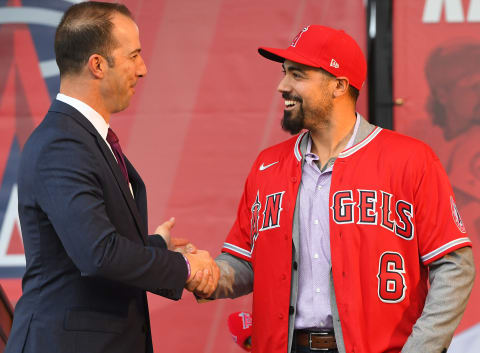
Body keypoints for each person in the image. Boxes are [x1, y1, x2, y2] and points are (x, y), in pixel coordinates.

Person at [189, 25, 476, 353]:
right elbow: (245, 264)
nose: (283, 86)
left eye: (298, 75)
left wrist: (421, 349)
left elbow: (454, 266)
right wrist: (204, 273)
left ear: (339, 85)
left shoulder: (411, 159)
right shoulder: (267, 167)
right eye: (285, 73)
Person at [5, 2, 218, 353]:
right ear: (98, 65)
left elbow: (79, 249)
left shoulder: (82, 138)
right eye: (134, 55)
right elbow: (98, 253)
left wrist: (155, 246)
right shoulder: (63, 143)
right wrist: (185, 268)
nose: (144, 69)